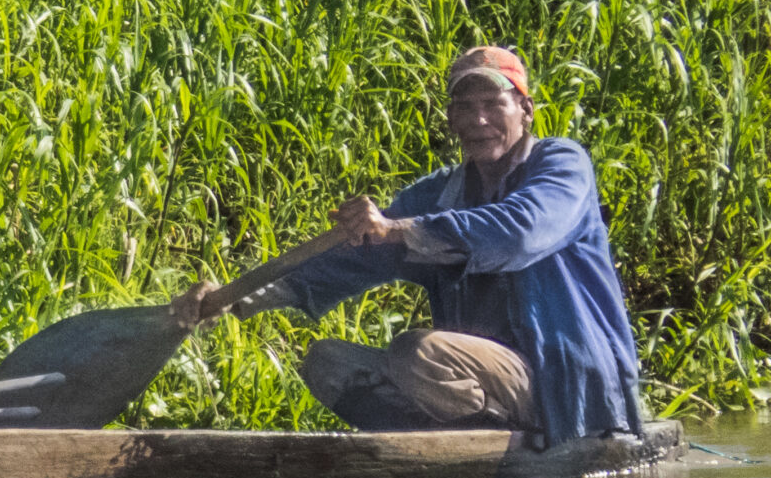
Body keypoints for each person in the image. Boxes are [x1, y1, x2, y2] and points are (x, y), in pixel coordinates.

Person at [169, 47, 643, 440]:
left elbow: (520, 232)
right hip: (487, 384)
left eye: (493, 103)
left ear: (525, 109)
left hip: (564, 380)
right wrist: (228, 302)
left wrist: (400, 229)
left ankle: (513, 441)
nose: (478, 119)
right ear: (451, 119)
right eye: (463, 106)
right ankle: (456, 450)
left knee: (419, 353)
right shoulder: (441, 191)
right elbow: (348, 262)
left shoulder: (562, 165)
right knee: (328, 362)